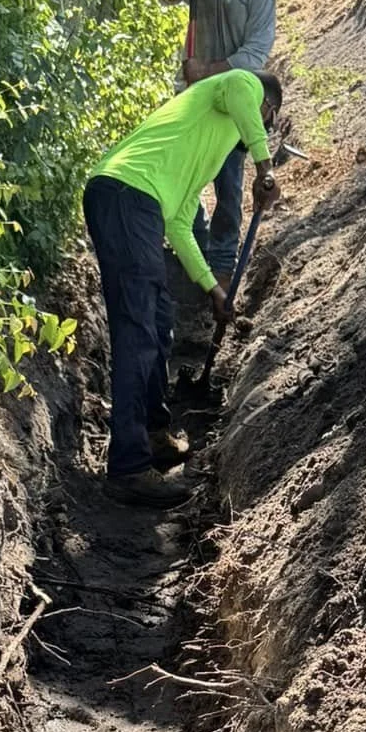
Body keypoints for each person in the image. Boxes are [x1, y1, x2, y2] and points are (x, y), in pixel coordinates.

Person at [83, 68, 283, 510]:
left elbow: (180, 224)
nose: (261, 129)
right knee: (137, 332)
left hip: (139, 203)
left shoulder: (201, 155)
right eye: (267, 122)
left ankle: (153, 433)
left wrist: (214, 290)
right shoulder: (240, 86)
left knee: (156, 322)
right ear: (265, 109)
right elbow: (239, 88)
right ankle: (128, 468)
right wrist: (265, 167)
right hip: (126, 195)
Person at [158, 0, 277, 293]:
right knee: (185, 178)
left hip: (230, 105)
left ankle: (222, 267)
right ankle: (193, 249)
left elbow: (253, 55)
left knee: (229, 190)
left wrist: (206, 70)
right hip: (191, 98)